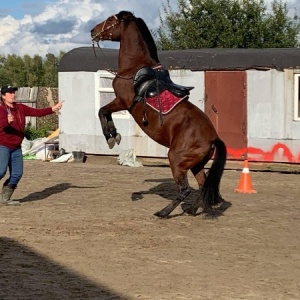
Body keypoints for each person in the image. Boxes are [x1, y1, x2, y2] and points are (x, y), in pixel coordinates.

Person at [0, 85, 63, 205]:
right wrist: (7, 122)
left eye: (13, 92)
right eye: (10, 93)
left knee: (17, 174)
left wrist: (52, 108)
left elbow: (36, 112)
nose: (13, 94)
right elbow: (1, 125)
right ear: (3, 96)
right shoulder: (1, 110)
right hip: (3, 145)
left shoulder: (20, 108)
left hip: (16, 147)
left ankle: (4, 199)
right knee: (1, 171)